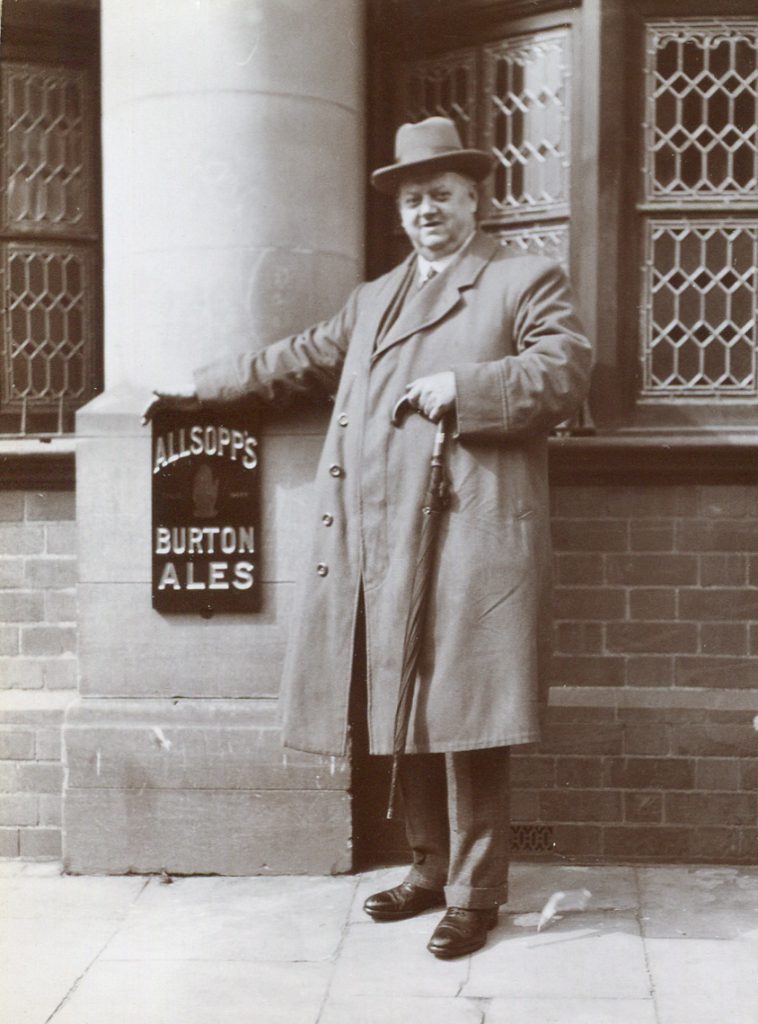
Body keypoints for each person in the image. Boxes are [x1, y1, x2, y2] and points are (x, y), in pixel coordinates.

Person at [148, 116, 592, 958]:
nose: (428, 210)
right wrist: (198, 387)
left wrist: (462, 385)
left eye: (444, 196)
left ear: (474, 201)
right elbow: (298, 360)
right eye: (414, 198)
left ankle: (476, 892)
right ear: (400, 211)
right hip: (379, 539)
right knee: (402, 703)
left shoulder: (521, 279)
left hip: (471, 537)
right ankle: (428, 869)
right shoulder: (374, 298)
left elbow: (564, 372)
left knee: (470, 718)